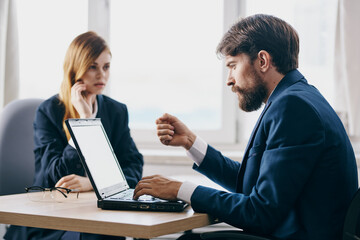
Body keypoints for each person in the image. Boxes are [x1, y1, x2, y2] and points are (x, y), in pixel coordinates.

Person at [133, 14, 359, 240]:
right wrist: (191, 143)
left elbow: (260, 212)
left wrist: (181, 190)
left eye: (232, 66)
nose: (229, 80)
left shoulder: (293, 107)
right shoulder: (297, 97)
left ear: (262, 61)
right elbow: (252, 184)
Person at [5, 31, 143, 240]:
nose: (102, 75)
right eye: (92, 67)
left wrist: (92, 184)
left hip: (99, 215)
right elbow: (53, 176)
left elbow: (133, 167)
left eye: (106, 67)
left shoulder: (116, 112)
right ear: (75, 69)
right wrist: (83, 121)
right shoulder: (49, 111)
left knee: (105, 233)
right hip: (52, 219)